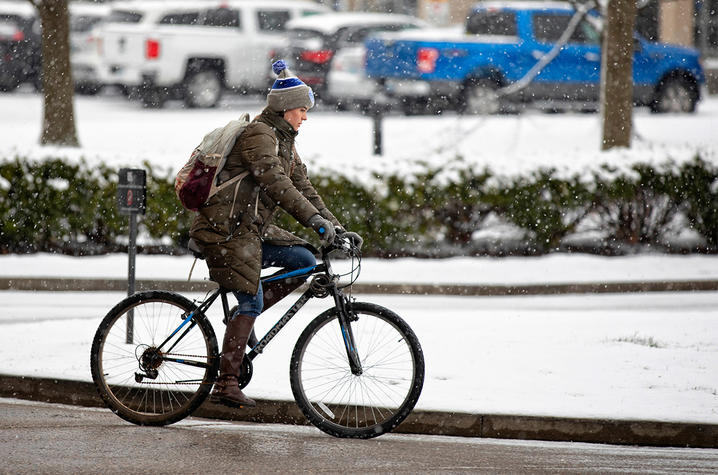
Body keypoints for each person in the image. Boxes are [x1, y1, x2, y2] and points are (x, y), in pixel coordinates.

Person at [189, 60, 362, 408]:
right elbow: (277, 184)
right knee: (252, 300)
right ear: (285, 109)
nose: (305, 117)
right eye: (302, 110)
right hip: (224, 232)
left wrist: (335, 226)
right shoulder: (260, 136)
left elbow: (302, 186)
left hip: (249, 230)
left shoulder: (284, 141)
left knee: (302, 259)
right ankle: (226, 381)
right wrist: (315, 223)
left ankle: (242, 313)